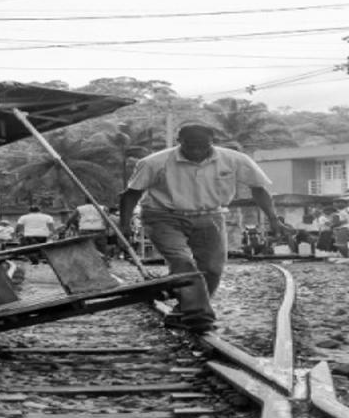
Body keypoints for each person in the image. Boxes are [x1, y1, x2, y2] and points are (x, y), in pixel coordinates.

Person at [118, 122, 278, 333]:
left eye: (202, 145)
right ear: (179, 142)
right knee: (182, 261)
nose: (196, 151)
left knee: (212, 268)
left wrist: (274, 219)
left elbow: (259, 189)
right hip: (163, 216)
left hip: (210, 215)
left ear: (212, 142)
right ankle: (199, 316)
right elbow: (131, 194)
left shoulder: (234, 160)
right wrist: (124, 225)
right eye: (189, 145)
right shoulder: (154, 162)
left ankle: (184, 308)